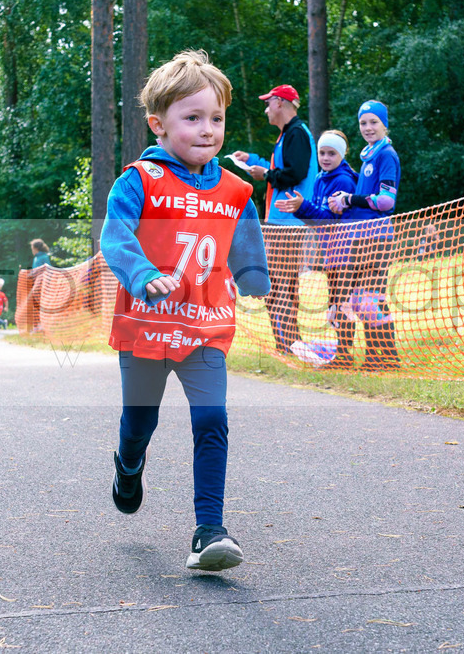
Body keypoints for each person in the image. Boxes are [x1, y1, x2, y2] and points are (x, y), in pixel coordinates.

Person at [101, 50, 270, 572]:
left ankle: (209, 531)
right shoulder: (139, 181)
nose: (207, 129)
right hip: (147, 328)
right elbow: (115, 236)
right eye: (192, 118)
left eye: (216, 118)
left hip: (205, 326)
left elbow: (244, 237)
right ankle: (129, 466)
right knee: (139, 423)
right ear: (159, 123)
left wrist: (253, 278)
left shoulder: (236, 189)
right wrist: (144, 275)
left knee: (213, 419)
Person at [231, 84, 317, 355]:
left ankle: (288, 343)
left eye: (269, 103)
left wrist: (265, 175)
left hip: (288, 223)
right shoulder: (288, 135)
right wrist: (253, 161)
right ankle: (289, 343)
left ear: (280, 103)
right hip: (283, 221)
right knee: (282, 283)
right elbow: (285, 168)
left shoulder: (296, 134)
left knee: (278, 283)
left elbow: (296, 173)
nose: (267, 109)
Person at [274, 130, 360, 369]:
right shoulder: (321, 178)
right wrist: (299, 209)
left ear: (341, 155)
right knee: (335, 304)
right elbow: (317, 221)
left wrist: (304, 207)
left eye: (331, 153)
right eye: (322, 152)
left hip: (346, 252)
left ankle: (344, 354)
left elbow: (330, 221)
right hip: (330, 252)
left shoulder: (343, 180)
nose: (325, 157)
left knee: (342, 304)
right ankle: (341, 352)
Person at [327, 100, 401, 371]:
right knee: (360, 299)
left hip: (377, 236)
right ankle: (374, 357)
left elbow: (386, 201)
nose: (368, 128)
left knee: (370, 299)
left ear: (385, 124)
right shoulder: (370, 154)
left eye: (373, 122)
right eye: (363, 123)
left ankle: (388, 357)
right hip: (361, 237)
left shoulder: (386, 155)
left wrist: (349, 199)